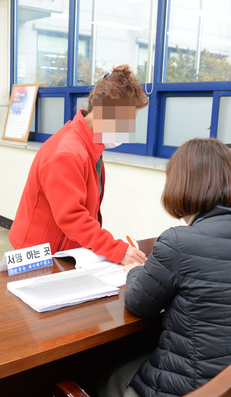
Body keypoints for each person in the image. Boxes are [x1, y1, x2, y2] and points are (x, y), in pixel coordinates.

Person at [99, 138, 231, 397]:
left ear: (180, 186)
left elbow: (139, 303)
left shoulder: (178, 242)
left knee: (112, 376)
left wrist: (135, 271)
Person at [9, 65, 147, 265]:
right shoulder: (67, 153)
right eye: (122, 122)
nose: (125, 131)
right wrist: (115, 249)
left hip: (64, 250)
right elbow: (72, 217)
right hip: (40, 255)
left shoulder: (90, 144)